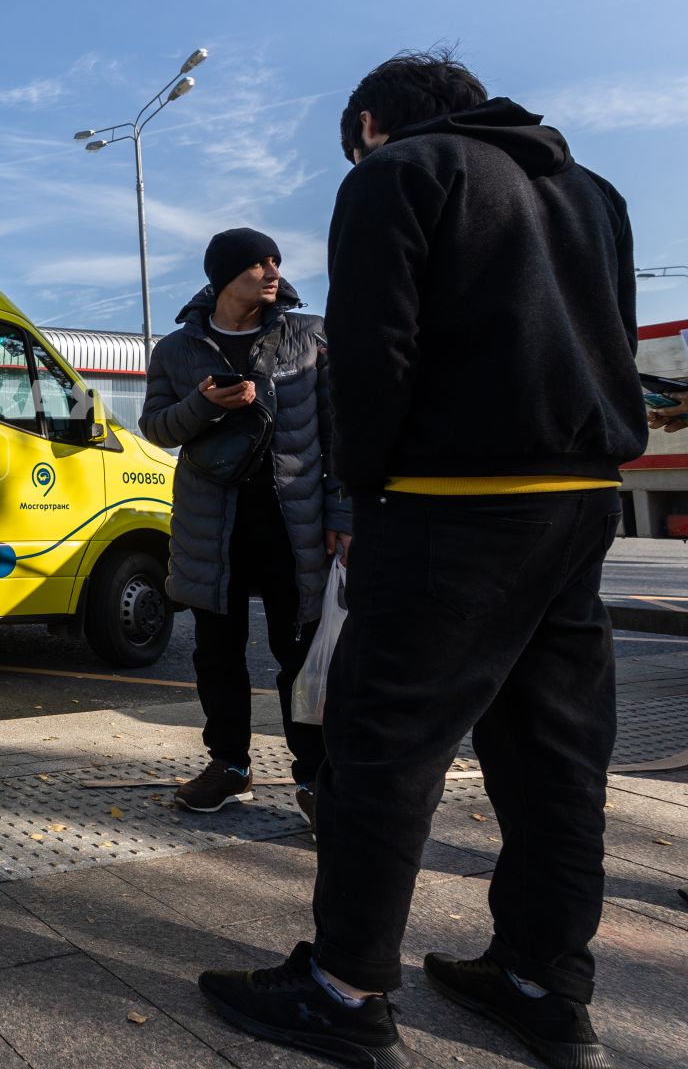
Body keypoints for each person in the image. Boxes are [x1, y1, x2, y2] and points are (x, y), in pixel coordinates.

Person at [200, 52, 646, 1069]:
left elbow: (374, 353)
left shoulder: (398, 175)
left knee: (381, 748)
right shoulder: (592, 193)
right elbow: (613, 336)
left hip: (452, 501)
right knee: (557, 755)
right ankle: (544, 982)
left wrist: (366, 490)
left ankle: (343, 988)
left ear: (367, 122)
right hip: (581, 500)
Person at [139, 228, 348, 824]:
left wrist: (343, 515)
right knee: (217, 652)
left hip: (296, 521)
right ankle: (229, 766)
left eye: (275, 260)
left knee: (300, 651)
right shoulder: (178, 350)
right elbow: (156, 428)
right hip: (213, 521)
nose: (272, 270)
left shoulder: (309, 336)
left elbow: (340, 433)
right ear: (224, 276)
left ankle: (313, 776)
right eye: (258, 263)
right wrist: (206, 403)